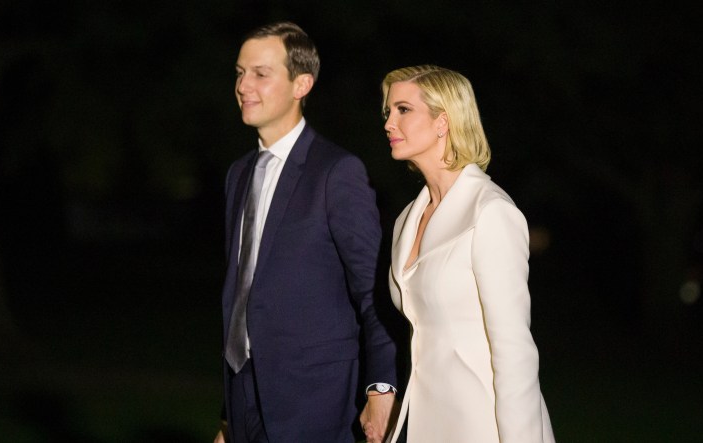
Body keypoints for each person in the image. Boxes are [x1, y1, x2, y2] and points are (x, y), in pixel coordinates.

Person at [215, 22, 398, 443]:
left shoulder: (336, 172)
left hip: (315, 401)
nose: (244, 85)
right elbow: (242, 293)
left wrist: (382, 387)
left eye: (261, 73)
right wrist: (229, 414)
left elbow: (372, 293)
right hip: (243, 394)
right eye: (240, 73)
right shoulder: (238, 174)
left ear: (302, 84)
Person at [381, 65, 555, 442]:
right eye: (388, 112)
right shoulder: (405, 220)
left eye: (403, 110)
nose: (389, 123)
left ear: (443, 121)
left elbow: (515, 352)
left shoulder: (490, 212)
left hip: (482, 424)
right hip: (420, 421)